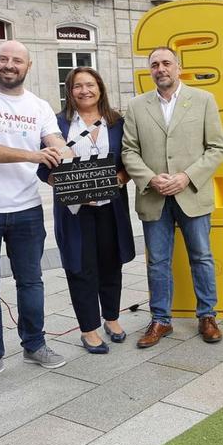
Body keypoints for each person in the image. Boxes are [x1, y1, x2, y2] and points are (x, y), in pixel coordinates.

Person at [0, 40, 71, 393]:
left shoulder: (39, 104)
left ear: (28, 66)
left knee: (32, 282)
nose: (9, 65)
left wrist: (64, 150)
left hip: (27, 208)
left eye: (17, 60)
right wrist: (34, 155)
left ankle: (34, 345)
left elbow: (55, 139)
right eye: (3, 59)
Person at [121, 46, 223, 348]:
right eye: (155, 65)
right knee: (157, 261)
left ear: (178, 67)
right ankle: (160, 320)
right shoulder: (137, 106)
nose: (161, 69)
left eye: (166, 63)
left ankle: (207, 316)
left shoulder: (204, 100)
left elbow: (217, 147)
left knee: (202, 257)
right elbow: (129, 151)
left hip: (191, 193)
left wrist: (186, 176)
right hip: (154, 197)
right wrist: (150, 179)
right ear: (150, 71)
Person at [38, 67, 136, 354]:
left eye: (90, 85)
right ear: (70, 91)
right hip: (74, 211)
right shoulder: (55, 124)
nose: (85, 91)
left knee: (111, 261)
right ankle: (88, 329)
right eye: (78, 86)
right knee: (80, 266)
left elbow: (129, 160)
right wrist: (69, 186)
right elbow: (43, 168)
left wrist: (118, 180)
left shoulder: (117, 122)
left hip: (111, 206)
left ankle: (112, 318)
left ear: (100, 88)